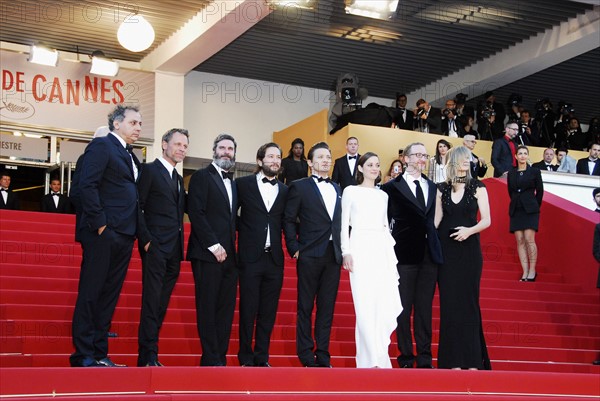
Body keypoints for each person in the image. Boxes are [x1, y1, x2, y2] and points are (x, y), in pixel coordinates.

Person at [70, 105, 141, 367]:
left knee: (109, 295)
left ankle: (99, 353)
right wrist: (101, 225)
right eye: (133, 123)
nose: (138, 128)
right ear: (117, 123)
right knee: (91, 292)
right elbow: (87, 185)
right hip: (104, 233)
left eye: (140, 124)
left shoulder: (132, 156)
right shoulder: (102, 146)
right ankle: (83, 354)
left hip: (125, 234)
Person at [381, 142, 443, 369]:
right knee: (403, 308)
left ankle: (425, 357)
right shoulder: (390, 188)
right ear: (405, 159)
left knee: (425, 308)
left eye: (424, 156)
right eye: (417, 155)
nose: (421, 159)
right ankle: (406, 356)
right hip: (403, 255)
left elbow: (434, 218)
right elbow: (384, 222)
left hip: (429, 256)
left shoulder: (432, 186)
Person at [283, 141, 342, 368]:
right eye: (320, 157)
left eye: (328, 157)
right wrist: (294, 247)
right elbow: (288, 219)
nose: (325, 161)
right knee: (305, 307)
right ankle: (306, 354)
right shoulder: (299, 186)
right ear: (310, 162)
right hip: (308, 254)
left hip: (332, 255)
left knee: (327, 308)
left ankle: (323, 354)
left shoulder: (337, 188)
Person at [341, 152, 402, 368]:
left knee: (380, 302)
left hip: (380, 248)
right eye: (370, 164)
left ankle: (380, 357)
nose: (374, 168)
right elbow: (343, 225)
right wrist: (345, 251)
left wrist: (389, 253)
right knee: (364, 303)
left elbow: (385, 225)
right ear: (360, 168)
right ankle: (367, 360)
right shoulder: (350, 191)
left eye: (377, 164)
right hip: (359, 247)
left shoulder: (382, 195)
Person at [434, 146, 492, 370]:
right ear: (453, 161)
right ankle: (452, 362)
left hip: (469, 253)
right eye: (463, 158)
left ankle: (472, 360)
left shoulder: (478, 187)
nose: (468, 161)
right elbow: (436, 221)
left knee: (468, 305)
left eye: (469, 158)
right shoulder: (441, 189)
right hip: (446, 253)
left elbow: (487, 220)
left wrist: (469, 230)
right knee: (449, 305)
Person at [136, 128, 189, 367]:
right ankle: (147, 356)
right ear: (164, 144)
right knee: (151, 302)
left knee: (161, 304)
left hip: (174, 252)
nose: (181, 149)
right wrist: (145, 239)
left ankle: (151, 354)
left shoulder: (178, 178)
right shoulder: (149, 170)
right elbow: (138, 206)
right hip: (155, 248)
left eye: (185, 146)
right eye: (177, 144)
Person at [187, 134, 238, 366]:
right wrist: (214, 245)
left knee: (226, 309)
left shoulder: (233, 183)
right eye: (222, 148)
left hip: (229, 256)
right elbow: (196, 212)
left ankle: (220, 356)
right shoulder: (200, 176)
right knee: (207, 306)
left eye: (230, 149)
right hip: (207, 254)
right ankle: (210, 358)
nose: (226, 152)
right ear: (214, 151)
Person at [236, 142, 289, 367]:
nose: (275, 160)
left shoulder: (286, 190)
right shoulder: (242, 184)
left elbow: (288, 221)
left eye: (278, 157)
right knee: (248, 309)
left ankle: (262, 358)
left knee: (268, 312)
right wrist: (245, 230)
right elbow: (230, 215)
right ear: (260, 161)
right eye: (271, 156)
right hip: (250, 257)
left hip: (274, 259)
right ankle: (246, 357)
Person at [507, 145, 544, 282]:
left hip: (531, 209)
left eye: (525, 153)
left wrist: (534, 205)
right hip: (516, 209)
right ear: (516, 156)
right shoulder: (511, 173)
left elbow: (540, 191)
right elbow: (510, 191)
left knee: (529, 239)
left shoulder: (534, 171)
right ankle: (525, 271)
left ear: (528, 155)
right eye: (520, 153)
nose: (522, 156)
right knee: (520, 240)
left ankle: (533, 270)